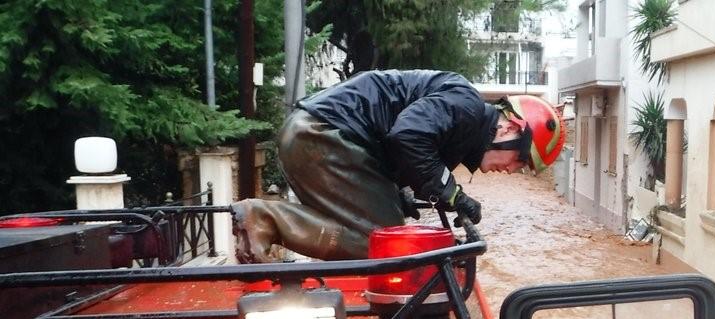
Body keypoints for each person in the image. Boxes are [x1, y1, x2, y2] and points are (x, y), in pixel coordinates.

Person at [232, 69, 565, 262]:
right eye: (519, 160)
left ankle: (269, 219)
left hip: (319, 135)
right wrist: (452, 194)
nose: (510, 170)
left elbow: (404, 148)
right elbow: (407, 135)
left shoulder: (462, 123)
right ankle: (266, 218)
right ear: (510, 128)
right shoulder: (467, 106)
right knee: (388, 244)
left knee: (389, 228)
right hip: (323, 136)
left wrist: (399, 192)